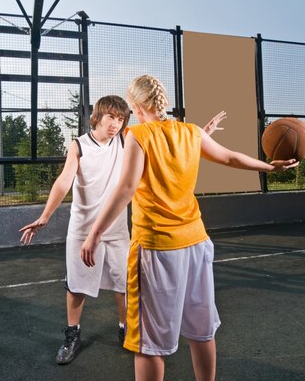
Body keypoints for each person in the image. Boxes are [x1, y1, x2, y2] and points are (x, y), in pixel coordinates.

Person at [81, 75, 298, 381]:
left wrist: (95, 232)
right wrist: (269, 168)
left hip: (158, 247)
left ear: (136, 107)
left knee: (149, 343)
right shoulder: (190, 132)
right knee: (201, 329)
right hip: (197, 242)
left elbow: (128, 188)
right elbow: (230, 157)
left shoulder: (139, 137)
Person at [20, 94, 226, 366]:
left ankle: (124, 328)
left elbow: (163, 135)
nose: (116, 124)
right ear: (97, 116)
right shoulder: (79, 146)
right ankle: (72, 334)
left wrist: (200, 135)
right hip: (83, 229)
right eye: (110, 117)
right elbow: (63, 182)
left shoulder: (127, 140)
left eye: (121, 118)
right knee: (76, 287)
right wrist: (45, 216)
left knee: (123, 286)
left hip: (116, 230)